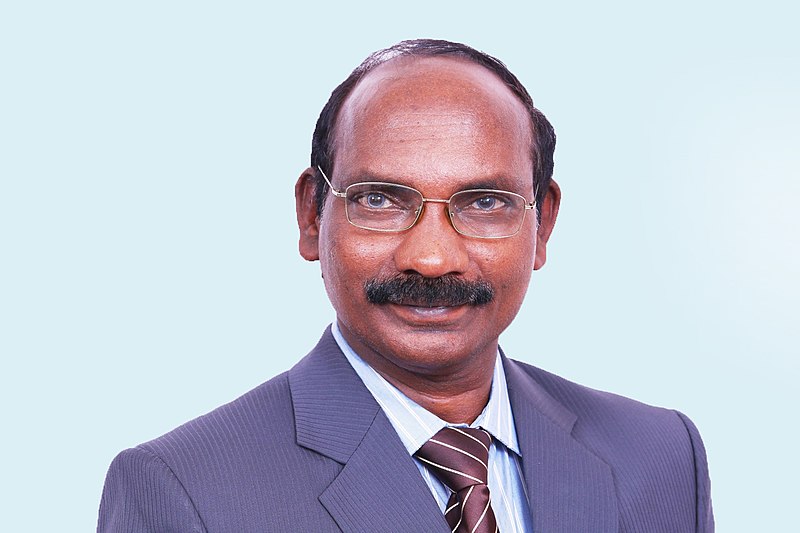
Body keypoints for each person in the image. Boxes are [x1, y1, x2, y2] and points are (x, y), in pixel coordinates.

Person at [97, 39, 713, 533]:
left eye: (485, 202)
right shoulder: (185, 491)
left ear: (542, 225)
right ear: (312, 217)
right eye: (380, 200)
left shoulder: (660, 459)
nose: (432, 258)